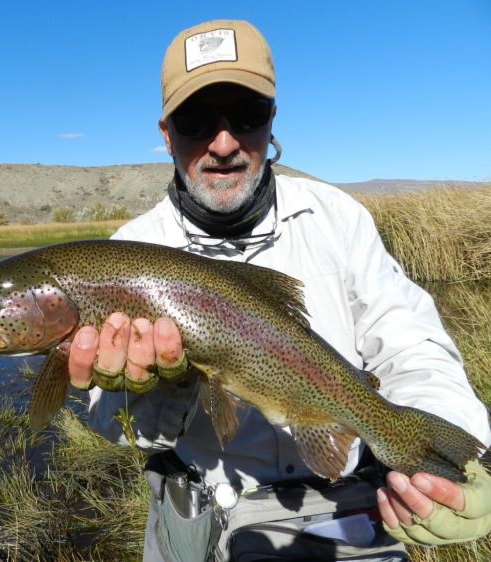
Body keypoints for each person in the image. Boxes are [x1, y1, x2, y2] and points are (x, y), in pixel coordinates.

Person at [66, 20, 491, 562]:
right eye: (197, 120)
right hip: (200, 512)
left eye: (246, 116)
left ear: (272, 121)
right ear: (167, 133)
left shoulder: (337, 217)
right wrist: (161, 389)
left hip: (349, 505)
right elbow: (117, 427)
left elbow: (411, 342)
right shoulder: (129, 251)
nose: (223, 144)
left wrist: (449, 447)